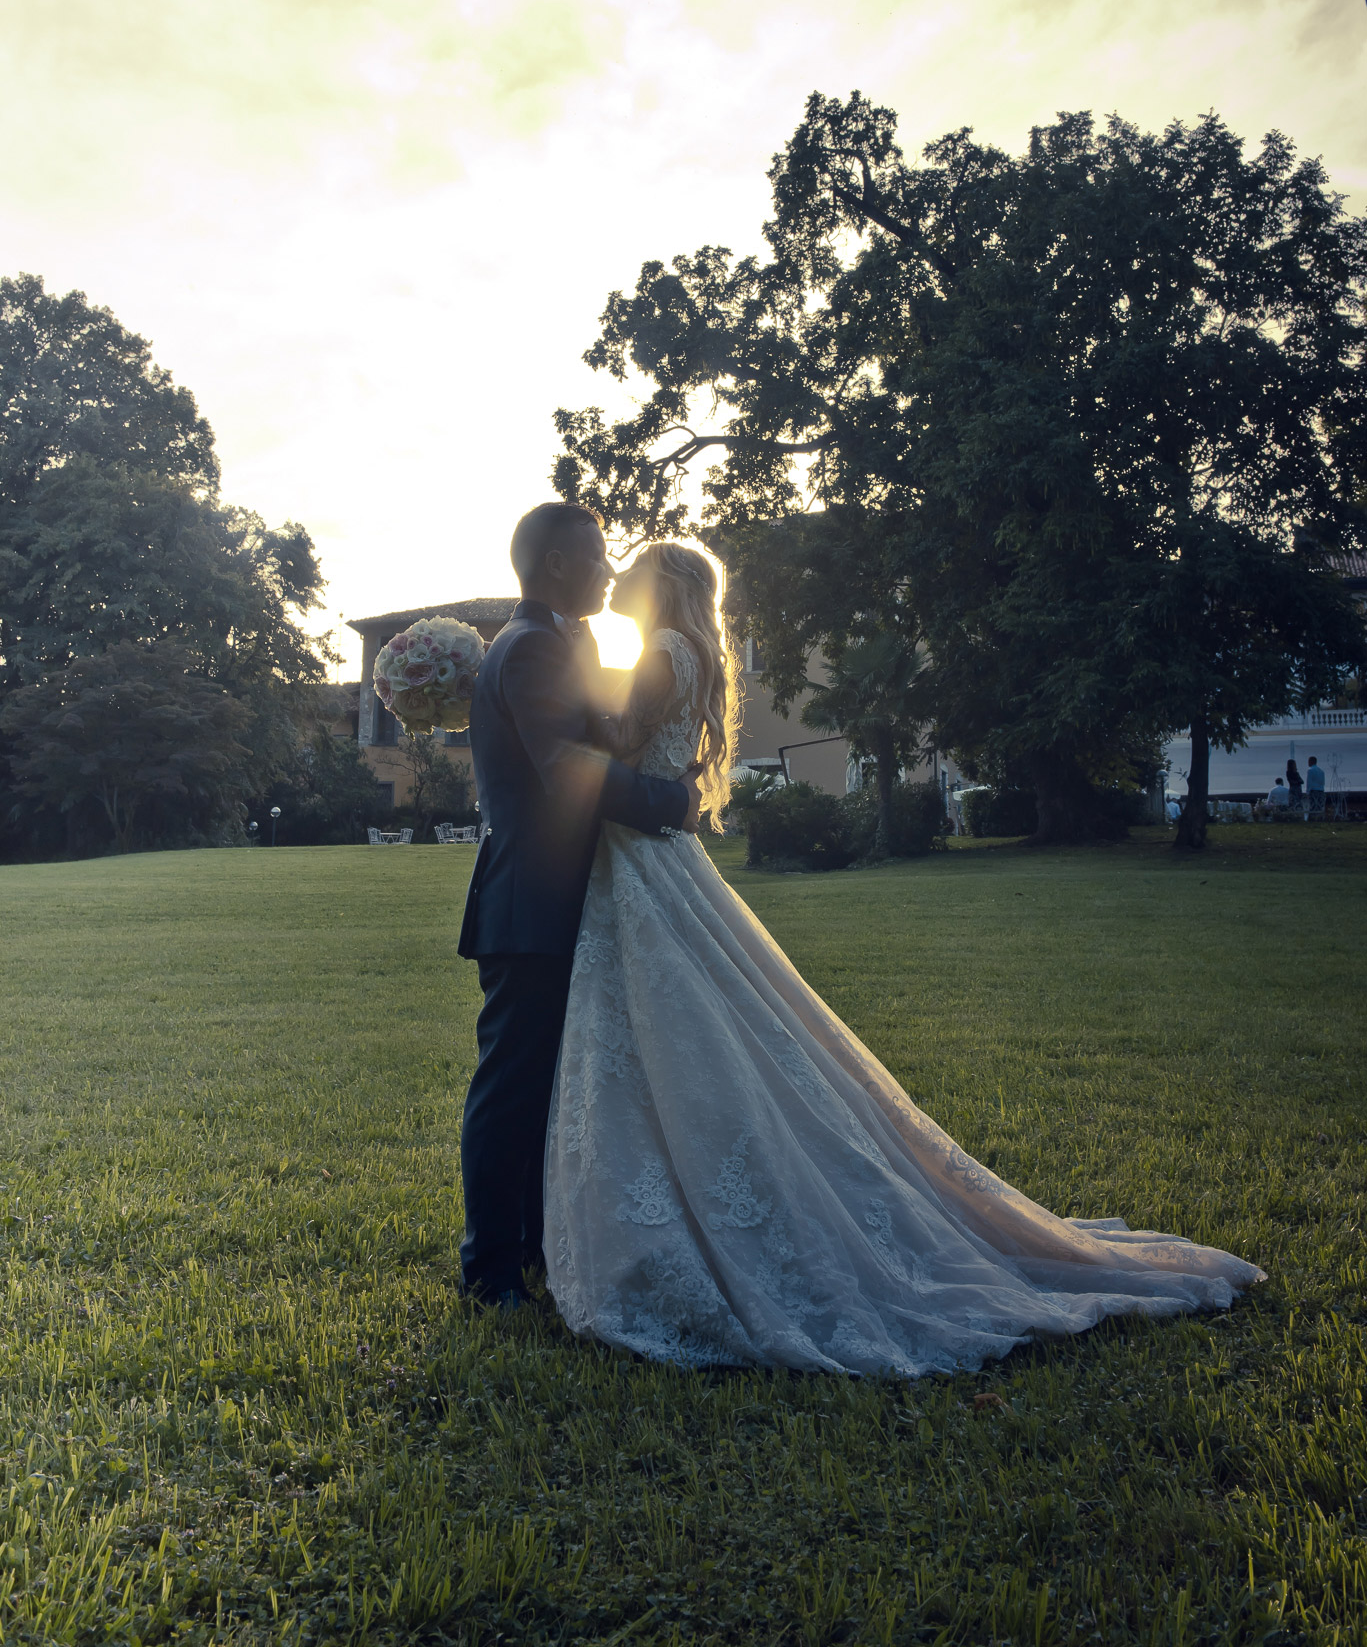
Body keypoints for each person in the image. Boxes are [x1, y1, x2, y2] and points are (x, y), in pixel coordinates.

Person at [542, 542, 1262, 1378]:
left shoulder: (662, 651)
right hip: (648, 859)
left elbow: (623, 736)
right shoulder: (685, 652)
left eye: (631, 570)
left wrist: (569, 682)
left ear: (664, 583)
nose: (618, 580)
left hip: (641, 860)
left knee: (676, 1029)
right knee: (678, 1029)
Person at [456, 503, 702, 1307]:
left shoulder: (573, 642)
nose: (608, 570)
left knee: (549, 1085)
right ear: (557, 565)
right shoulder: (528, 649)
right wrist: (670, 800)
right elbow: (567, 766)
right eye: (597, 558)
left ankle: (534, 1250)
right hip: (531, 901)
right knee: (512, 1089)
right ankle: (490, 1269)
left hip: (572, 897)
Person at [1305, 755, 1326, 819]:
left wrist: (1307, 792)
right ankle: (1319, 818)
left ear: (1311, 761)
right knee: (1319, 806)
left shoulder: (1310, 770)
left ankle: (1312, 819)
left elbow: (1309, 782)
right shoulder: (1321, 771)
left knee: (1313, 806)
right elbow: (1323, 782)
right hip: (1321, 790)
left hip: (1313, 790)